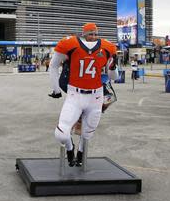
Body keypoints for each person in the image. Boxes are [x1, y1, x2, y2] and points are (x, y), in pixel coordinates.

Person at [48, 23, 118, 167]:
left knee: (87, 134)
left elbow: (113, 76)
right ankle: (70, 148)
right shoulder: (70, 44)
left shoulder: (107, 47)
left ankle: (80, 153)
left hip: (96, 96)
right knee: (61, 134)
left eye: (95, 34)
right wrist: (55, 89)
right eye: (90, 33)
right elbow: (53, 65)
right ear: (83, 34)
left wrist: (113, 67)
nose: (93, 37)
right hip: (75, 94)